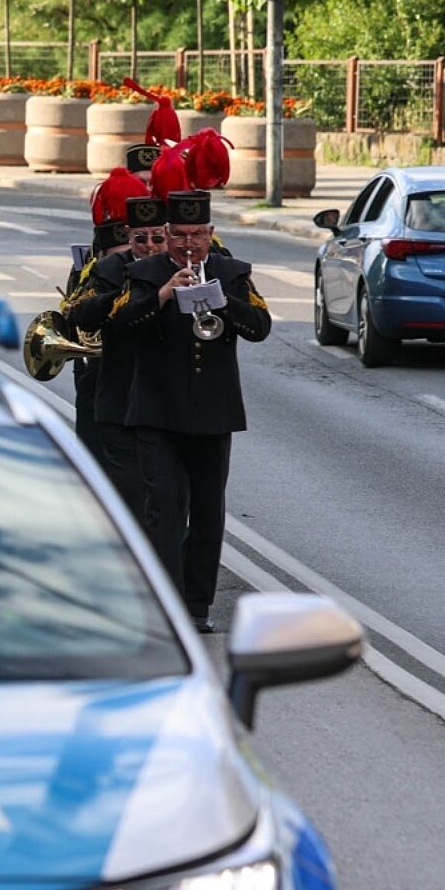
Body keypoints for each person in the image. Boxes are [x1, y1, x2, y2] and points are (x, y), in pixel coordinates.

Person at [111, 190, 271, 633]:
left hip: (213, 412)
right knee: (163, 510)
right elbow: (119, 326)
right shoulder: (142, 273)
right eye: (179, 235)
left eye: (197, 235)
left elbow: (260, 326)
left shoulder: (232, 273)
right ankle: (165, 600)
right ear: (165, 234)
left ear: (210, 233)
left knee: (207, 513)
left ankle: (197, 605)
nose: (188, 245)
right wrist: (163, 295)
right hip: (156, 409)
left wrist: (224, 302)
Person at [71, 186, 168, 511]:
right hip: (120, 396)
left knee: (168, 500)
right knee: (127, 491)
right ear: (129, 235)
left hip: (168, 402)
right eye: (141, 239)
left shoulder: (183, 266)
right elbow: (81, 313)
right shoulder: (109, 269)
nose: (150, 246)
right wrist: (130, 293)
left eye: (158, 238)